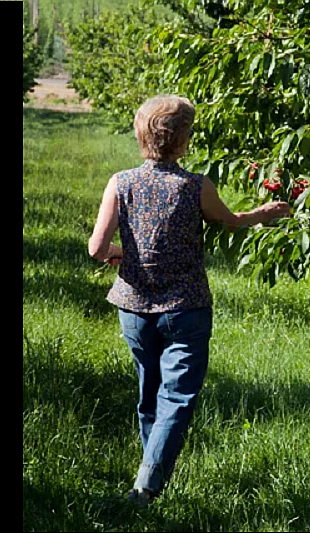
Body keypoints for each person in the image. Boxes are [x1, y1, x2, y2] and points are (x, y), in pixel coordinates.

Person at [88, 95, 290, 506]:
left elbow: (97, 249)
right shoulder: (195, 185)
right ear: (183, 141)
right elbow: (230, 222)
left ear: (141, 135)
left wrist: (124, 254)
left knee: (150, 393)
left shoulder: (120, 183)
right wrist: (265, 212)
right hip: (186, 308)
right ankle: (147, 485)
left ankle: (149, 479)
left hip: (135, 309)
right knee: (177, 398)